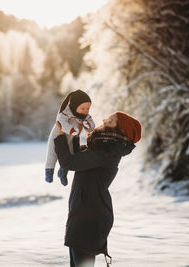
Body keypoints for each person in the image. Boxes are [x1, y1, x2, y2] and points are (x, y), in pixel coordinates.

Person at [54, 111, 142, 267]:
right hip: (83, 213)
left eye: (112, 119)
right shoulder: (102, 146)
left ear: (121, 129)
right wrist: (72, 129)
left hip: (90, 218)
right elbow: (77, 154)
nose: (105, 119)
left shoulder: (107, 151)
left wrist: (60, 135)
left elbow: (70, 162)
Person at [45, 90, 95, 186]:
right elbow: (61, 123)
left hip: (71, 139)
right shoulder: (65, 113)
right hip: (58, 136)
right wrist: (71, 130)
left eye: (88, 108)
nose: (86, 111)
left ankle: (62, 173)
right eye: (83, 108)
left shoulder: (85, 116)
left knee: (70, 155)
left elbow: (91, 125)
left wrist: (88, 125)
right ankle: (49, 172)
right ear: (74, 106)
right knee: (52, 154)